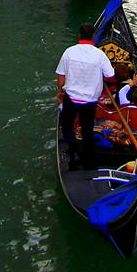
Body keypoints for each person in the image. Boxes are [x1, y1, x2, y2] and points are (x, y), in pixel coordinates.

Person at [56, 23, 115, 170]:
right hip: (89, 100)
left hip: (71, 98)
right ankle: (88, 162)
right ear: (93, 36)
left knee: (67, 126)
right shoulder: (99, 55)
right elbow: (111, 75)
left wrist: (61, 92)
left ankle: (73, 152)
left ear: (79, 35)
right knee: (87, 130)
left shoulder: (69, 52)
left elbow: (60, 76)